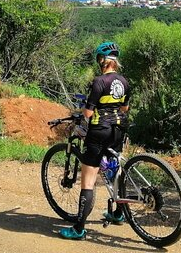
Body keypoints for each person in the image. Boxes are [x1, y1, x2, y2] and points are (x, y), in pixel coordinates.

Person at [59, 41, 131, 240]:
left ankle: (78, 229)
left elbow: (88, 112)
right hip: (118, 131)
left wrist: (83, 118)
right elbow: (124, 109)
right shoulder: (124, 81)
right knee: (114, 172)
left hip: (99, 132)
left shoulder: (99, 82)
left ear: (103, 60)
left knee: (88, 181)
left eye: (99, 59)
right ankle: (117, 214)